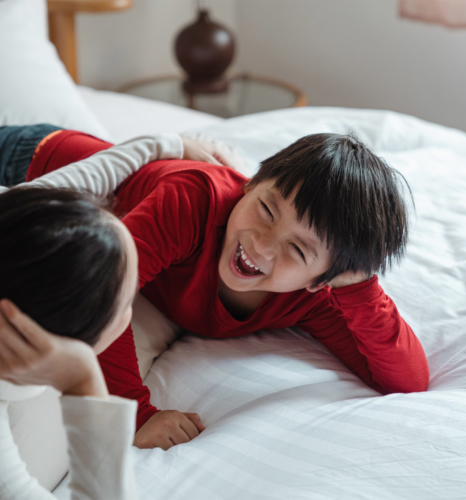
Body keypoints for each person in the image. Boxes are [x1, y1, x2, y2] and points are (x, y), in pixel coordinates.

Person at [17, 127, 430, 452]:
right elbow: (100, 294)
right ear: (250, 184)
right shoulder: (191, 202)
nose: (262, 245)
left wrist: (359, 289)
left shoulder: (311, 299)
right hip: (35, 161)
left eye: (297, 250)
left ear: (322, 281)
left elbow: (406, 379)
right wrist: (137, 415)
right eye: (267, 210)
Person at [0, 125, 241, 499]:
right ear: (80, 340)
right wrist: (83, 383)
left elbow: (101, 169)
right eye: (129, 301)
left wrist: (174, 143)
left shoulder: (19, 216)